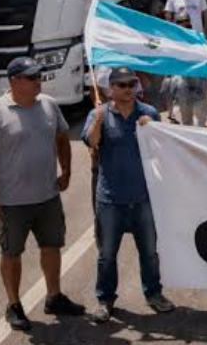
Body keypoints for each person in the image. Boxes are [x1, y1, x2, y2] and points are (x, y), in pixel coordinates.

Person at [0, 57, 84, 331]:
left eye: (39, 76)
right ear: (14, 81)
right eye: (32, 77)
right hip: (11, 203)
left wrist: (67, 170)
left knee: (52, 246)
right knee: (11, 253)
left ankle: (54, 297)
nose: (38, 81)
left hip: (48, 196)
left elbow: (61, 137)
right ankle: (14, 305)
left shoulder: (49, 104)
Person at [82, 67, 174, 323]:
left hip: (143, 197)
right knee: (107, 255)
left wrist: (152, 129)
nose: (127, 89)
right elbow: (92, 143)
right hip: (110, 199)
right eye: (121, 85)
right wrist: (98, 119)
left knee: (150, 252)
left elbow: (163, 149)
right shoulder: (98, 113)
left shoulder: (149, 113)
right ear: (110, 88)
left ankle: (154, 294)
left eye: (131, 84)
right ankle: (105, 300)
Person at [160, 13, 207, 126]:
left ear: (190, 23)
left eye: (186, 21)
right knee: (186, 120)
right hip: (182, 84)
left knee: (200, 121)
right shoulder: (172, 42)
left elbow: (205, 58)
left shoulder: (198, 38)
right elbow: (168, 63)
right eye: (180, 22)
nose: (183, 24)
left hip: (198, 82)